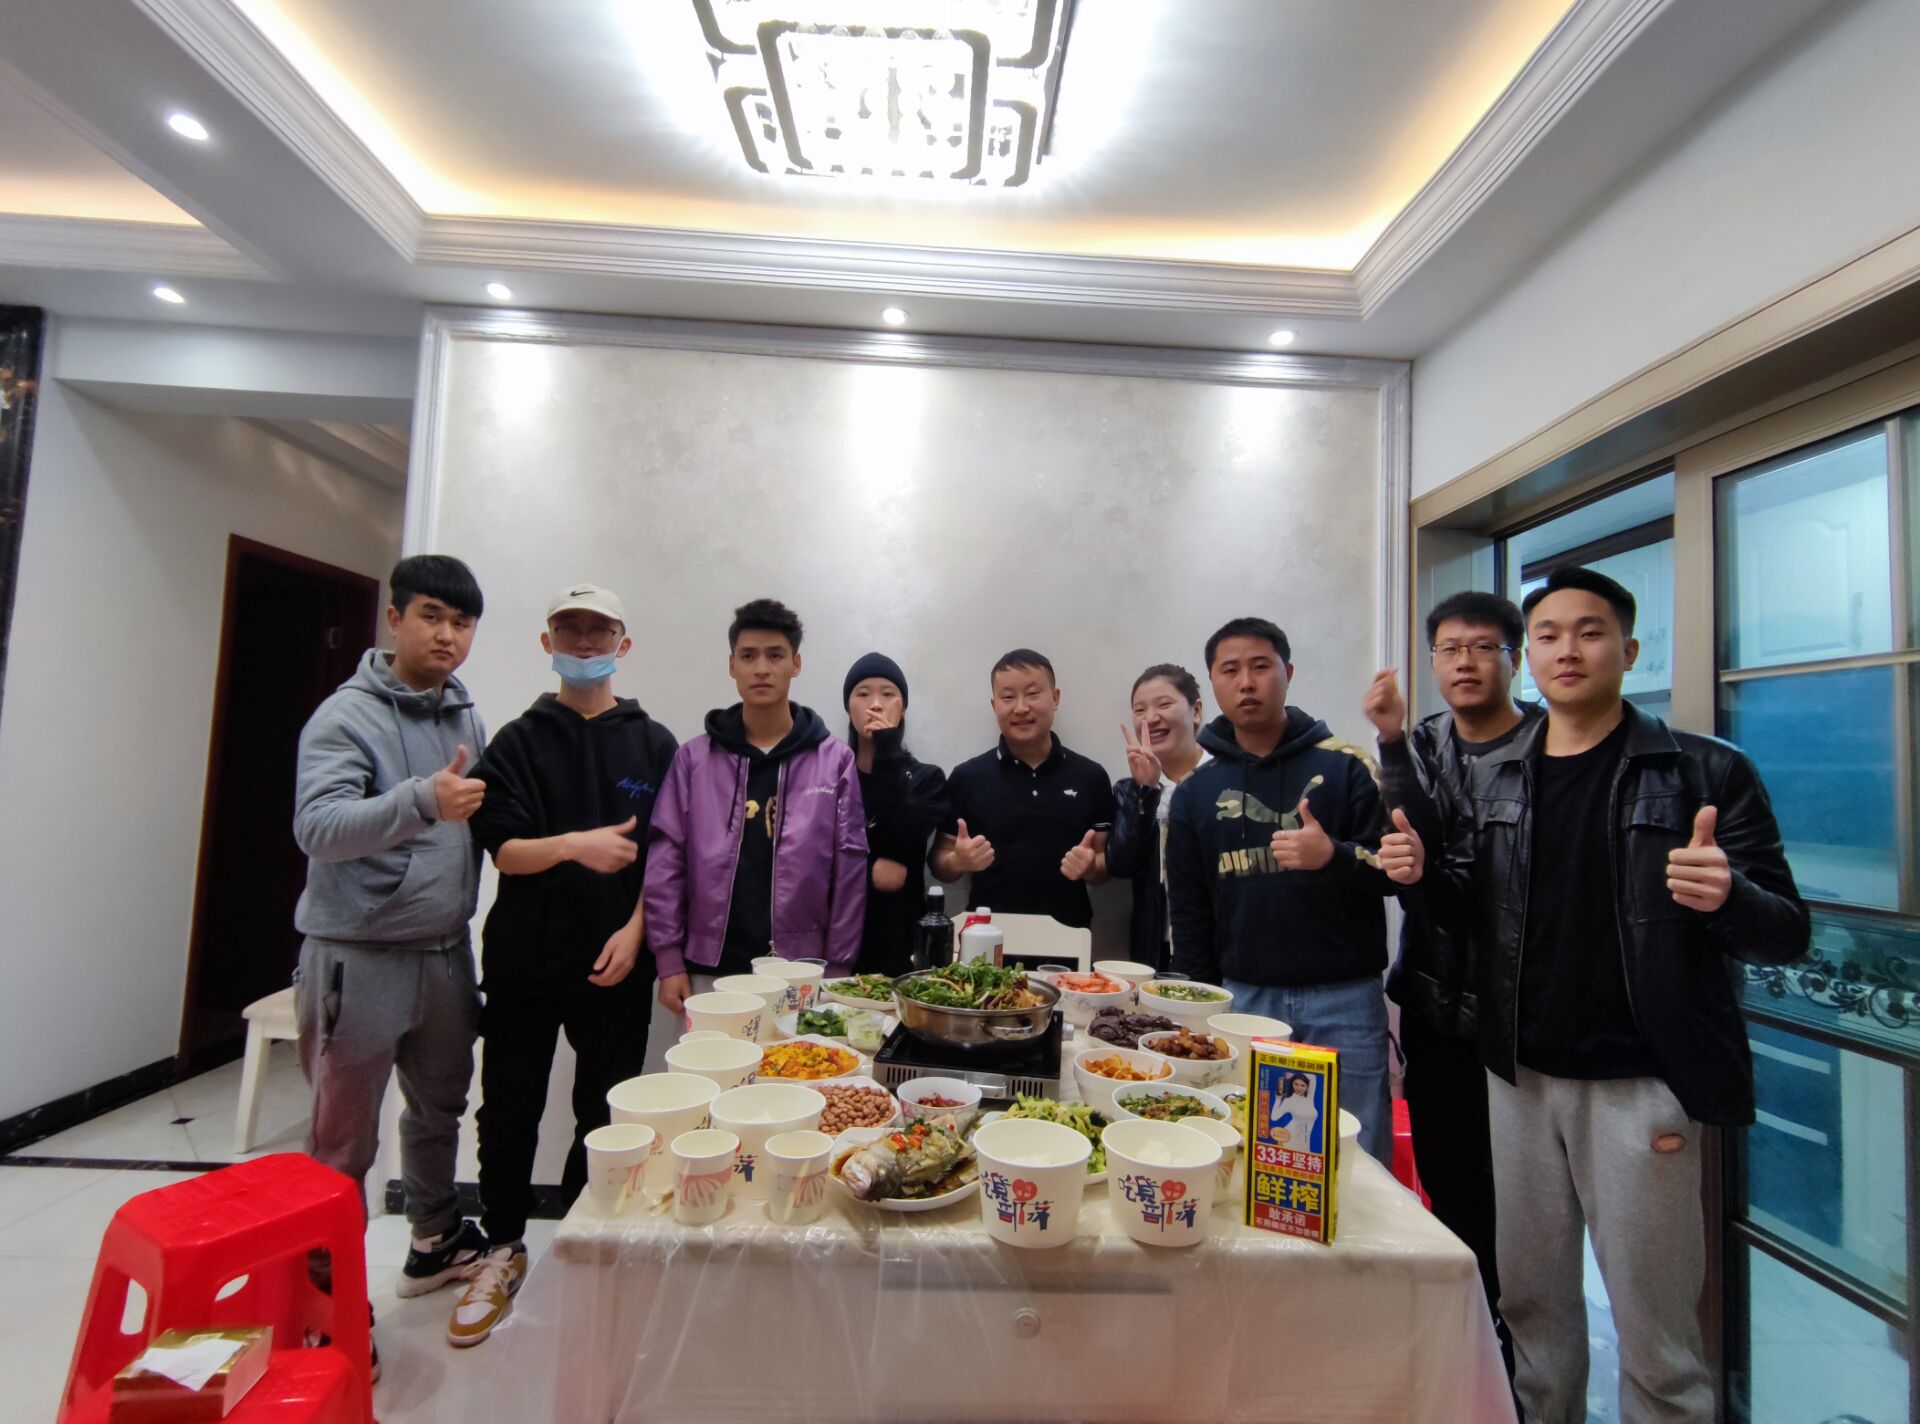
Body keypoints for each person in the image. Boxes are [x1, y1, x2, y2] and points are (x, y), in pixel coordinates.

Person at [1410, 566, 1809, 1424]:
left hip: (1640, 1080)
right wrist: (1414, 875)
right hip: (1519, 1075)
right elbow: (1470, 907)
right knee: (1531, 1309)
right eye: (1549, 635)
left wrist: (1727, 896)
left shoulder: (1704, 770)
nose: (1568, 650)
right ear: (1532, 658)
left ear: (1628, 651)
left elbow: (1786, 932)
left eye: (1589, 632)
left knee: (1657, 1334)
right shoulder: (1504, 775)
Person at [450, 583, 678, 1348]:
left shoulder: (655, 745)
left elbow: (667, 859)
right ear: (548, 642)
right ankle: (502, 1246)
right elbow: (506, 852)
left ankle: (587, 1241)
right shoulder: (518, 741)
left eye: (599, 631)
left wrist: (638, 932)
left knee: (604, 1112)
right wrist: (577, 845)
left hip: (618, 962)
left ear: (622, 643)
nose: (585, 643)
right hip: (525, 960)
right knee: (509, 1108)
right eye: (570, 630)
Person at [290, 554, 491, 1374]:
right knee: (342, 1143)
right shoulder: (344, 717)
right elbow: (318, 827)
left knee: (440, 1109)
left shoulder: (464, 713)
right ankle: (329, 1309)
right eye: (432, 616)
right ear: (396, 617)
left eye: (462, 622)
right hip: (357, 956)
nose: (447, 635)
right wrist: (419, 801)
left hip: (443, 950)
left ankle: (434, 1241)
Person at [1164, 616, 1420, 1164]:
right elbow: (1188, 910)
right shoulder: (1195, 793)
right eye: (1230, 670)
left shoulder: (1345, 766)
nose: (1246, 682)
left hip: (1344, 996)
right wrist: (1199, 1006)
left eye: (1261, 666)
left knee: (1358, 1154)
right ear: (1213, 684)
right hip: (1243, 997)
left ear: (1289, 672)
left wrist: (1333, 856)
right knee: (1258, 1151)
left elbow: (1394, 870)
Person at [1361, 589, 1537, 1367]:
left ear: (1513, 659)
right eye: (1450, 650)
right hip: (1436, 1004)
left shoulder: (1547, 746)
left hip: (1524, 1015)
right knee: (1450, 1182)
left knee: (1525, 1204)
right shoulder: (1423, 743)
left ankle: (1522, 1360)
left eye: (1483, 648)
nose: (1465, 663)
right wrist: (1392, 741)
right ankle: (1472, 1351)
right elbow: (1407, 859)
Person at [643, 599, 867, 1013]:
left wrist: (837, 968)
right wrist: (669, 960)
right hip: (708, 966)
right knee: (709, 1058)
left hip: (801, 970)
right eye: (748, 656)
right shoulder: (694, 759)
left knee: (798, 1058)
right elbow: (666, 859)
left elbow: (849, 869)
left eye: (775, 655)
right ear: (732, 665)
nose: (761, 668)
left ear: (796, 663)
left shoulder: (834, 760)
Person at [932, 649, 1117, 929]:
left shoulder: (1091, 777)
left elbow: (1103, 864)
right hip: (986, 932)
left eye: (1032, 694)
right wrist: (958, 860)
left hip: (1068, 932)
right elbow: (939, 862)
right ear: (994, 705)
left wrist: (1091, 867)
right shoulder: (966, 777)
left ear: (1055, 698)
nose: (1020, 708)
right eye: (1008, 697)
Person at [844, 653, 952, 975]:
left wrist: (888, 749)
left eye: (888, 694)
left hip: (902, 937)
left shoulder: (927, 778)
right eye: (863, 694)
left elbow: (902, 842)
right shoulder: (831, 777)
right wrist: (868, 871)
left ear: (902, 708)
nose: (875, 705)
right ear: (848, 708)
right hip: (840, 934)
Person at [1106, 663, 1213, 971]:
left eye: (1164, 704)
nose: (1150, 718)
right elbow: (1123, 864)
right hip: (1155, 951)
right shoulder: (1129, 790)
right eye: (1139, 710)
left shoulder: (1224, 781)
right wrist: (1146, 791)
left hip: (1217, 949)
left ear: (1196, 711)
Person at [1269, 1072, 1321, 1153]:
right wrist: (1278, 1100)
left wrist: (1293, 1074)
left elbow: (1312, 1077)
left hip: (1304, 1141)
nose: (1299, 1088)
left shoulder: (1309, 1098)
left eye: (1303, 1085)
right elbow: (1274, 1117)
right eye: (1296, 1084)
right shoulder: (1289, 1100)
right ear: (1292, 1084)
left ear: (1307, 1086)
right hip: (1290, 1137)